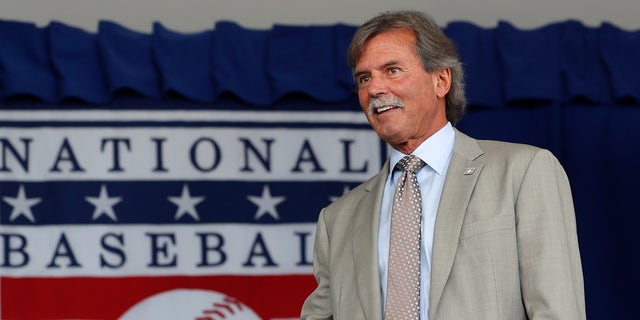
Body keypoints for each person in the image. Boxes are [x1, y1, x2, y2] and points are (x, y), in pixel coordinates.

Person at [300, 10, 585, 320]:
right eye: (364, 78)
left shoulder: (523, 172)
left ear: (441, 80)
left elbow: (558, 311)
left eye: (392, 70)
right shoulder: (337, 219)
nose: (374, 88)